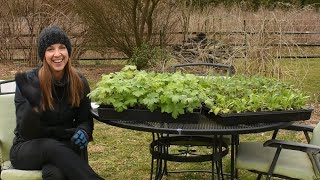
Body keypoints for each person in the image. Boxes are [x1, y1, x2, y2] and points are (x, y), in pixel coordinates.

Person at [9, 26, 104, 180]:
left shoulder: (79, 82)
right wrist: (34, 105)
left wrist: (84, 131)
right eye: (50, 49)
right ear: (43, 55)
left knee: (55, 174)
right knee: (50, 146)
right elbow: (27, 132)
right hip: (27, 149)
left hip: (62, 147)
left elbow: (85, 119)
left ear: (68, 52)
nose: (57, 54)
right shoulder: (29, 82)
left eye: (62, 48)